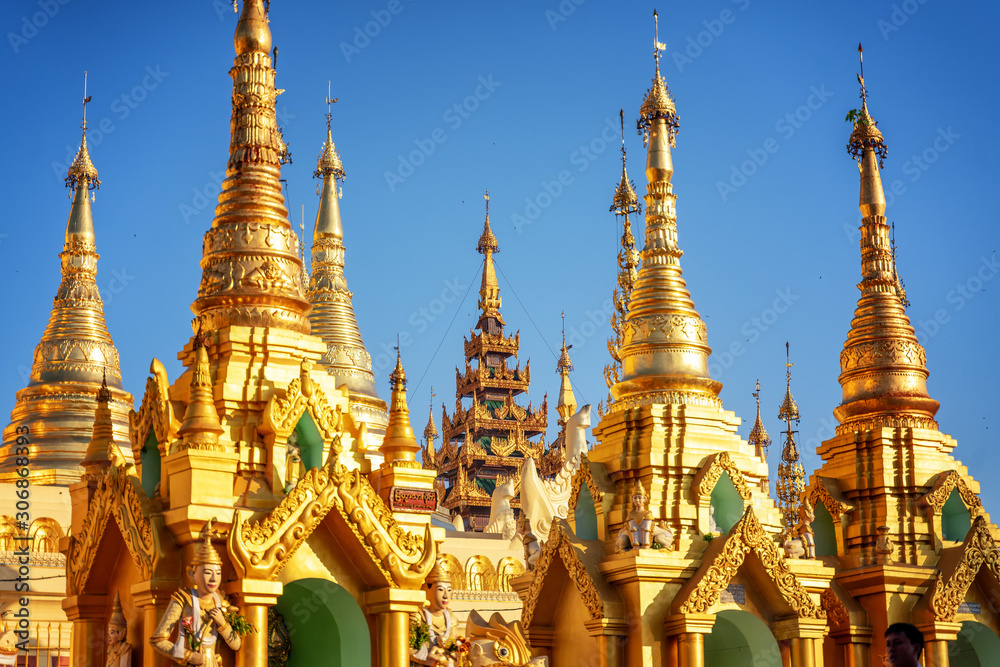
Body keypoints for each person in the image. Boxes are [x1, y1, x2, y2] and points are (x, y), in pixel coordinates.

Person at [151, 521, 243, 666]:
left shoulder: (221, 603)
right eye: (207, 572)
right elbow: (158, 641)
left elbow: (236, 644)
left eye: (218, 573)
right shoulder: (183, 600)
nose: (213, 578)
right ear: (191, 574)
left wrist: (222, 623)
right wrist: (189, 656)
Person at [410, 559, 459, 666]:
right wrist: (429, 661)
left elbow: (454, 653)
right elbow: (407, 649)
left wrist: (445, 661)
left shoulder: (452, 620)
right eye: (441, 589)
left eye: (449, 590)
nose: (446, 595)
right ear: (428, 589)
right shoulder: (418, 617)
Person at [106, 593, 132, 667]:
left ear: (121, 633)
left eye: (112, 632)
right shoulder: (110, 650)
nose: (109, 637)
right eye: (108, 633)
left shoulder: (125, 648)